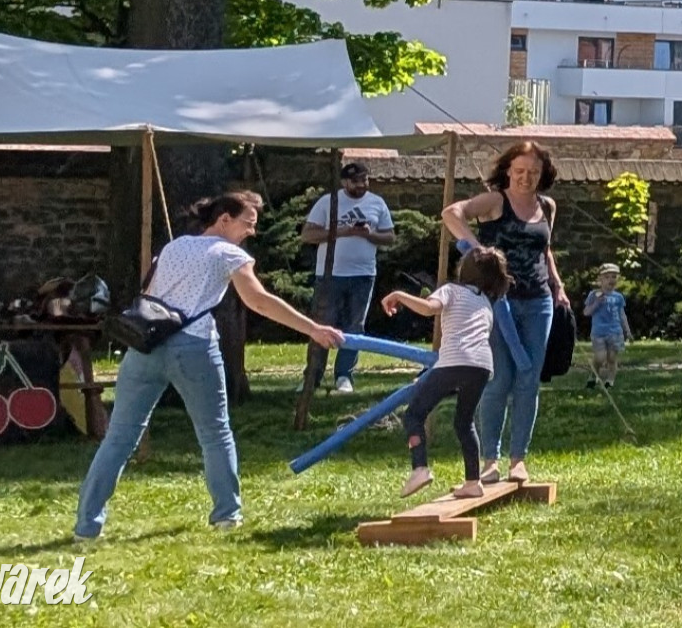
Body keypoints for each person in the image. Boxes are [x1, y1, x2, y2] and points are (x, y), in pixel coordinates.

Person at [74, 191, 344, 540]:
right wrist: (313, 329)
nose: (251, 232)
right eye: (248, 223)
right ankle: (227, 515)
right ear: (224, 220)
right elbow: (258, 301)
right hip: (194, 347)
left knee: (119, 438)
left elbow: (152, 295)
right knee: (215, 433)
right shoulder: (229, 254)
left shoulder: (174, 246)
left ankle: (86, 526)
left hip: (144, 345)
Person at [441, 141, 569, 485]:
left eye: (534, 172)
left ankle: (518, 459)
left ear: (543, 174)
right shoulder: (496, 200)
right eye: (520, 171)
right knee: (499, 377)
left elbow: (545, 249)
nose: (526, 178)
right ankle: (490, 460)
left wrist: (557, 285)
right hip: (498, 302)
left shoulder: (548, 206)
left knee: (529, 380)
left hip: (539, 301)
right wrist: (476, 246)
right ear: (508, 171)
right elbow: (452, 213)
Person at [381, 247, 513, 499]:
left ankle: (420, 468)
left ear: (463, 270)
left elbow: (429, 308)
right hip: (482, 366)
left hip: (455, 361)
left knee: (414, 415)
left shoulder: (451, 290)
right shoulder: (485, 301)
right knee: (464, 423)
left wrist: (400, 295)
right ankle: (473, 482)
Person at [299, 162, 395, 393]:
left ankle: (344, 376)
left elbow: (390, 237)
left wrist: (369, 234)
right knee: (322, 324)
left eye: (365, 180)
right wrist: (342, 232)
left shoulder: (376, 203)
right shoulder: (328, 202)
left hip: (363, 274)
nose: (361, 185)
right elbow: (308, 234)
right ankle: (312, 377)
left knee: (355, 326)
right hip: (330, 274)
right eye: (355, 181)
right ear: (344, 182)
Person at [583, 263, 632, 389]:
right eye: (607, 277)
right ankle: (593, 376)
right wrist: (596, 304)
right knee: (600, 357)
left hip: (615, 331)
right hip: (599, 332)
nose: (611, 280)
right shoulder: (594, 295)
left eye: (614, 277)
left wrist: (627, 330)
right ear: (600, 279)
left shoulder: (618, 297)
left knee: (612, 357)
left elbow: (622, 314)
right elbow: (586, 312)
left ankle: (610, 380)